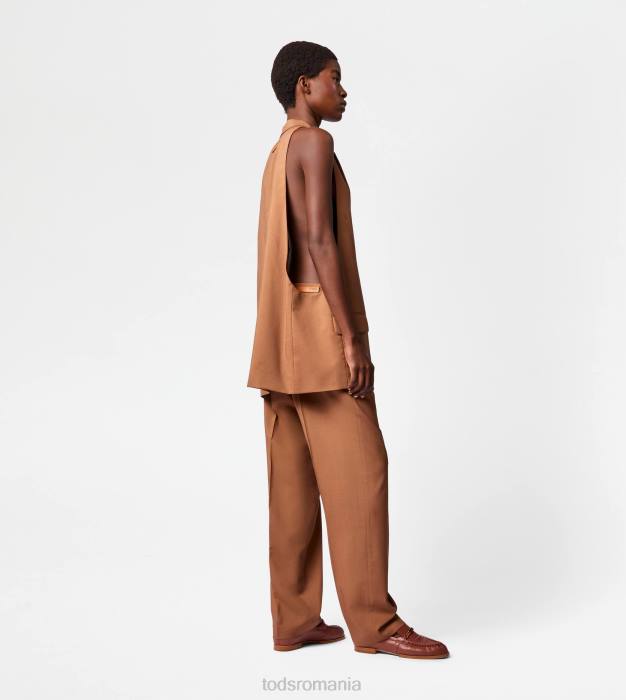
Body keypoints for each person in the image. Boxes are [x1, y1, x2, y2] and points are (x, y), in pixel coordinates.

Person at [247, 40, 450, 660]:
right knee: (363, 475)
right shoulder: (314, 142)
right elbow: (318, 239)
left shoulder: (277, 151)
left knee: (291, 490)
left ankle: (294, 620)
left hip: (277, 343)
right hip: (317, 341)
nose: (343, 90)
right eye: (334, 78)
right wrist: (352, 337)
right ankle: (377, 626)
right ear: (304, 85)